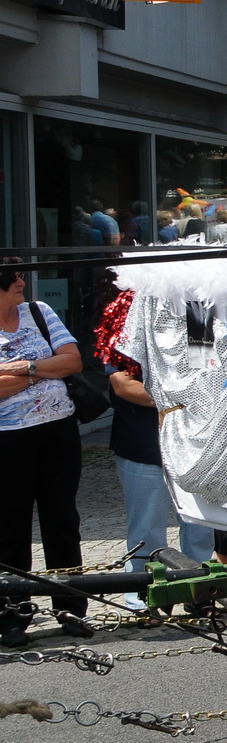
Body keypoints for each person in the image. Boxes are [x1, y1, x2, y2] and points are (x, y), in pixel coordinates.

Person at [0, 260, 90, 645]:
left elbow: (72, 361)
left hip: (58, 431)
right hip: (8, 439)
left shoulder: (39, 311)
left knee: (62, 521)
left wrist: (24, 367)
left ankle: (70, 608)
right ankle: (12, 616)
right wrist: (41, 370)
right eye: (13, 278)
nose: (21, 282)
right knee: (10, 528)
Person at [107, 357, 214, 611]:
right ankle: (143, 600)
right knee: (146, 531)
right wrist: (187, 399)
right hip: (143, 445)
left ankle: (198, 594)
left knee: (200, 527)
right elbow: (124, 385)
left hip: (196, 447)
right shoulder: (124, 334)